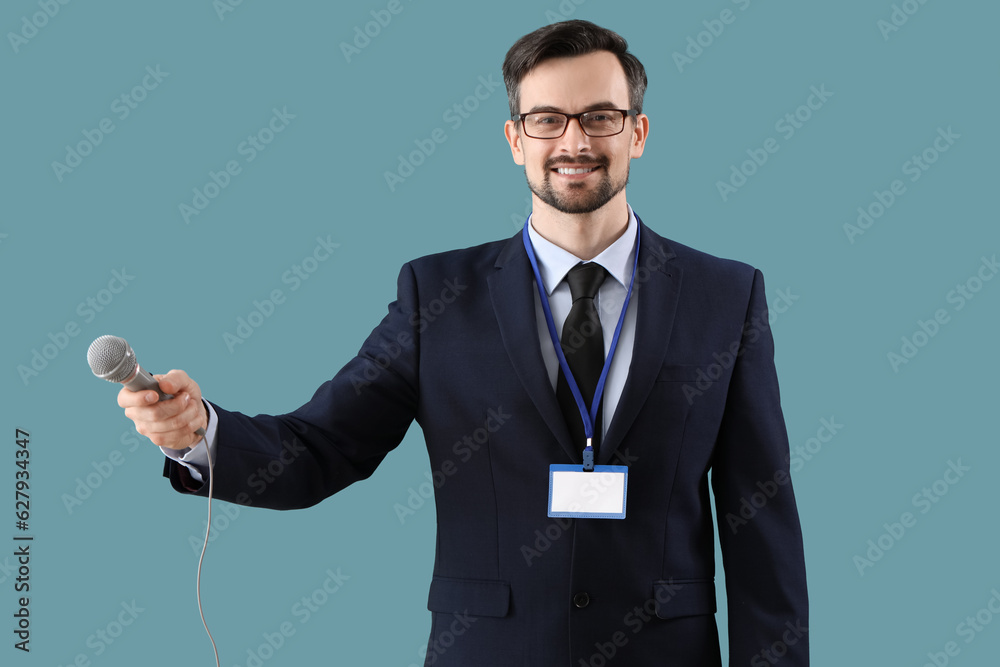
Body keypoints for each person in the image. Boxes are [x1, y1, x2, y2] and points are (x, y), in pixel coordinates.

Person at [118, 19, 808, 667]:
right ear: (515, 139)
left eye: (600, 116)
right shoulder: (437, 296)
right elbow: (318, 450)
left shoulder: (727, 294)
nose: (574, 141)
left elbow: (761, 521)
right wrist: (198, 432)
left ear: (639, 133)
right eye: (547, 120)